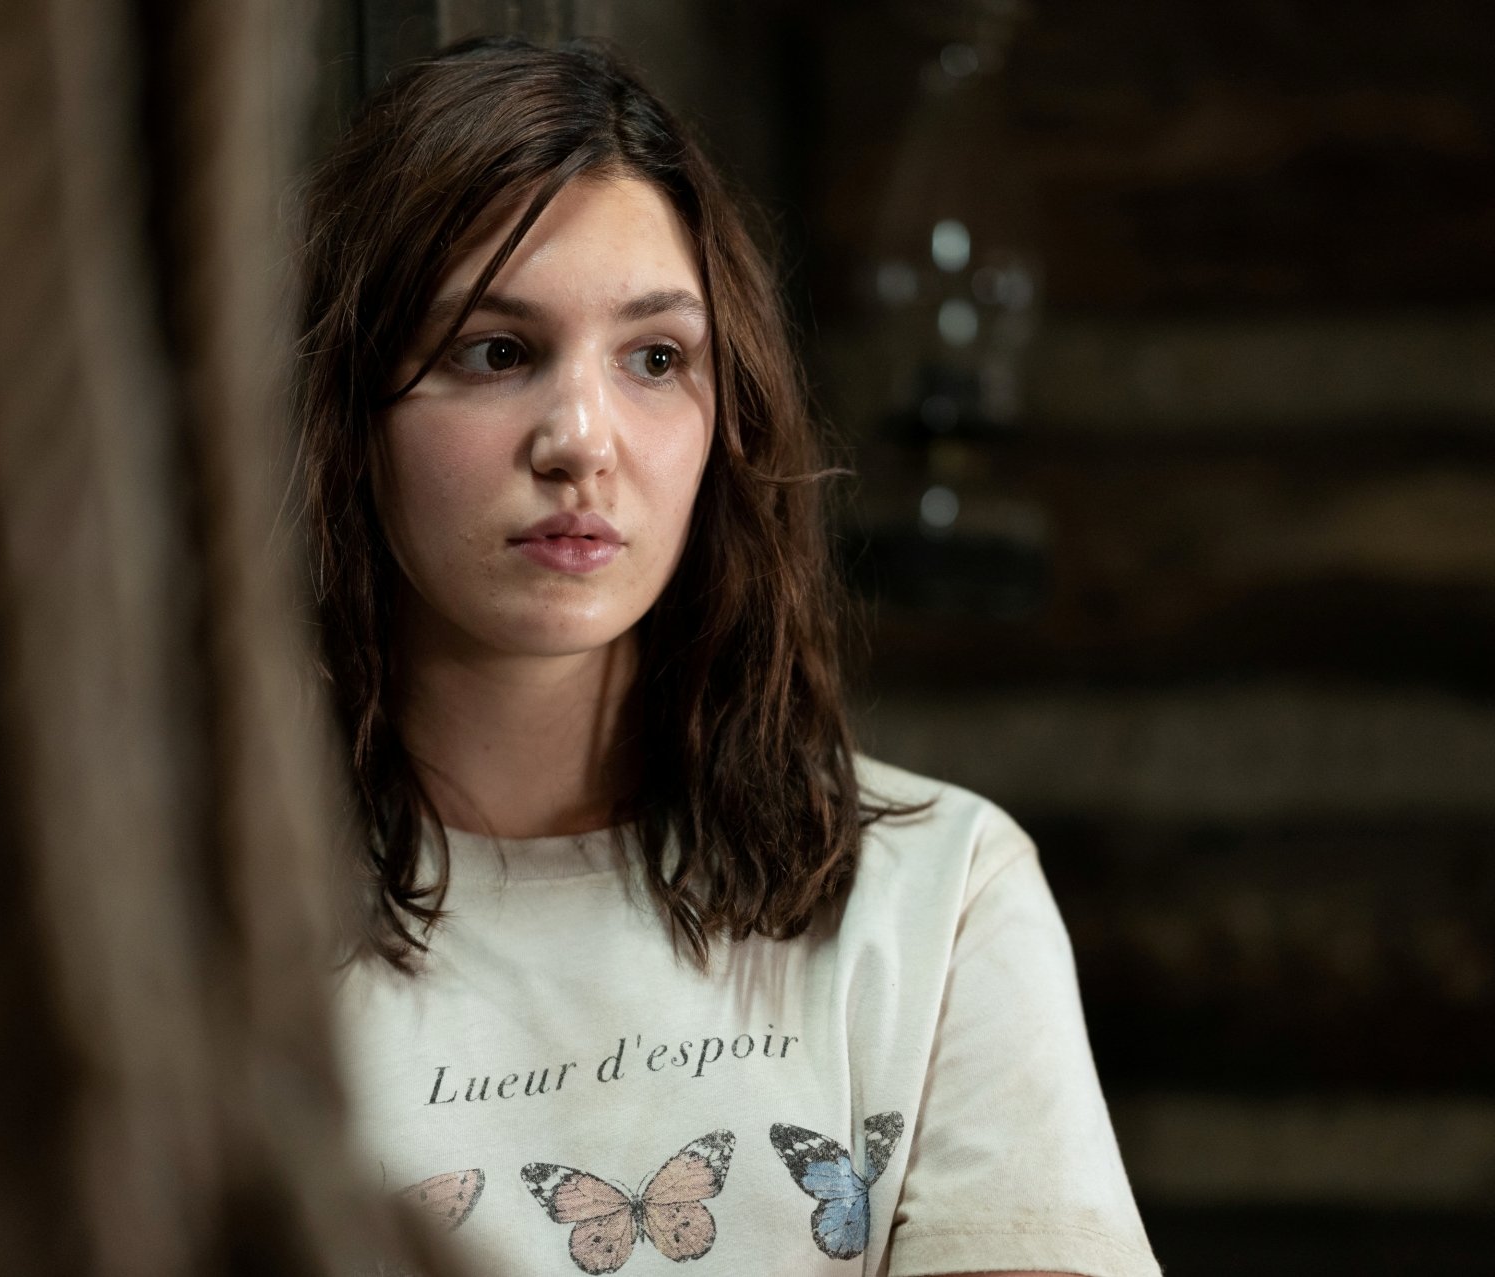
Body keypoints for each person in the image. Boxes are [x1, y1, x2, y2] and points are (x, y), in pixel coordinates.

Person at [297, 36, 1159, 1277]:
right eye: (496, 350)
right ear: (348, 411)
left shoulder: (934, 895)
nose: (581, 440)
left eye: (656, 358)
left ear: (726, 416)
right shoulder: (190, 925)